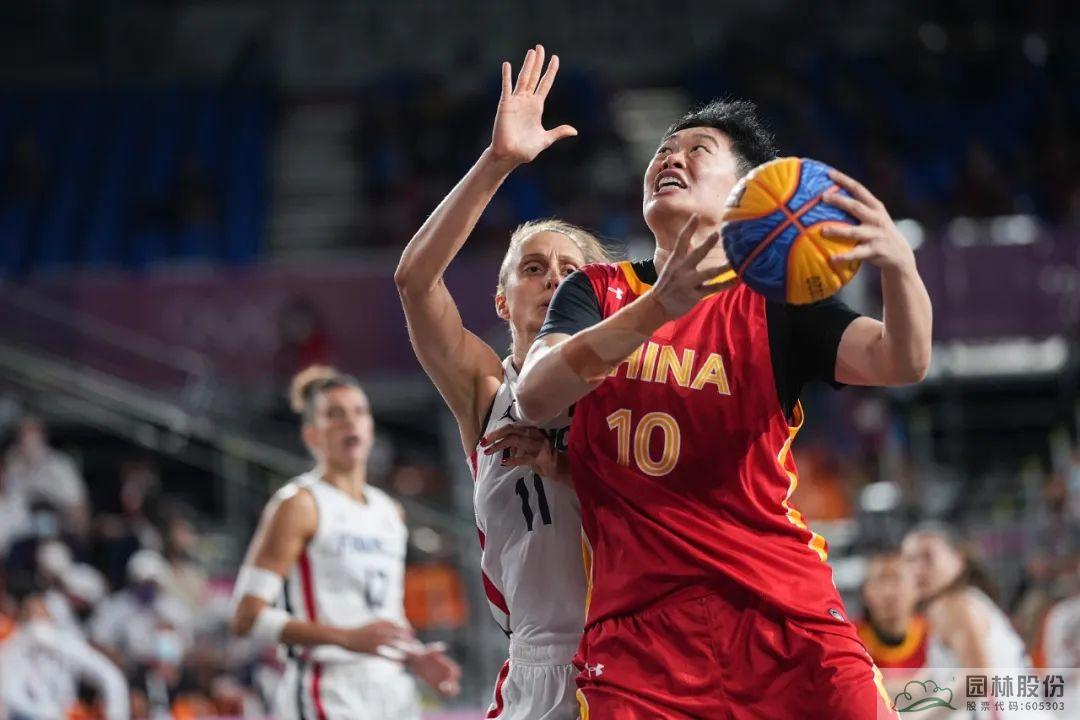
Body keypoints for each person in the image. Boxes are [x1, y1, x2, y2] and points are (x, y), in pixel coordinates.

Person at [516, 97, 933, 717]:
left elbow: (901, 360)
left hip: (782, 615)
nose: (670, 159)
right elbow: (535, 392)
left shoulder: (777, 303)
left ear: (748, 191)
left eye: (697, 151)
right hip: (641, 640)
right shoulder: (596, 291)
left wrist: (901, 266)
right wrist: (659, 307)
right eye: (663, 151)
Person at [395, 44, 610, 720]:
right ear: (501, 299)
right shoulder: (488, 391)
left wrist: (561, 464)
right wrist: (497, 163)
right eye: (533, 268)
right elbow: (414, 282)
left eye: (571, 272)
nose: (553, 280)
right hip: (534, 664)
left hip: (632, 651)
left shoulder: (627, 383)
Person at [229, 366, 460, 720]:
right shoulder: (299, 504)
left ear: (370, 428)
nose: (350, 421)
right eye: (334, 414)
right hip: (329, 687)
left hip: (393, 690)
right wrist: (346, 638)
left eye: (359, 412)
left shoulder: (389, 511)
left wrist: (414, 656)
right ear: (311, 435)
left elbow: (383, 612)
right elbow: (247, 617)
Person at [902, 524, 1041, 719]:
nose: (918, 569)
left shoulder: (956, 607)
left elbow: (980, 678)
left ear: (958, 559)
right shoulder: (959, 603)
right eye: (910, 560)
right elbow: (919, 689)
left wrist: (916, 718)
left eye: (928, 557)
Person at [0, 593, 129, 720]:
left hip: (65, 712)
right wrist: (44, 713)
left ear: (50, 618)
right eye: (32, 615)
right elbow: (9, 691)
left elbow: (108, 675)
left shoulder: (65, 643)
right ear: (22, 620)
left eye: (42, 614)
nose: (37, 622)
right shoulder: (13, 647)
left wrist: (115, 713)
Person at [856, 550, 928, 686]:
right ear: (864, 593)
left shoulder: (937, 636)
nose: (888, 592)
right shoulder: (849, 639)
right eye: (880, 581)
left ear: (918, 589)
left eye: (897, 580)